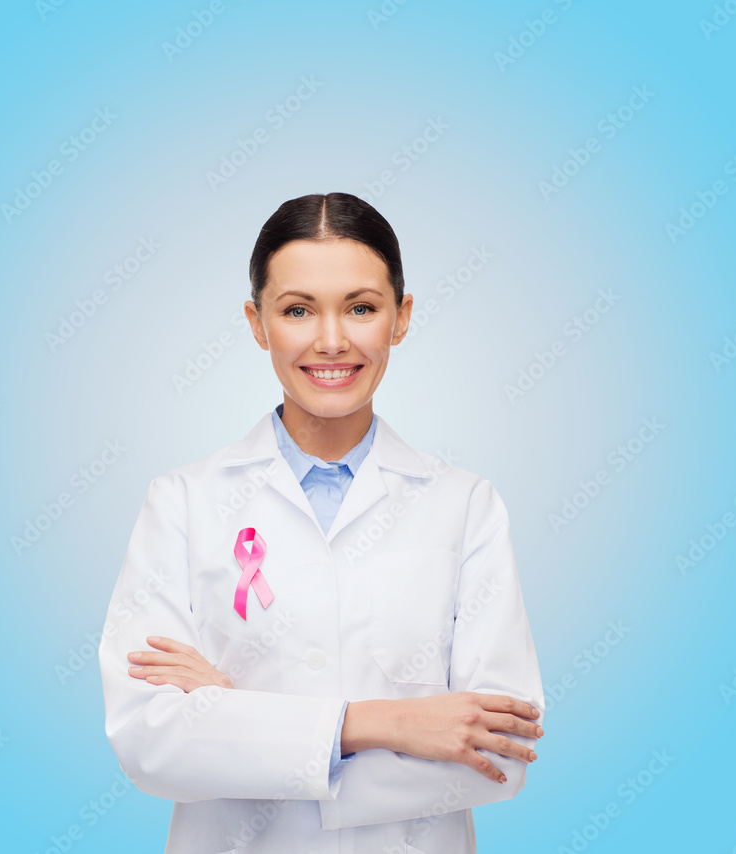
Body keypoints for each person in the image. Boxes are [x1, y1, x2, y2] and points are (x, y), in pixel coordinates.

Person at [98, 192, 545, 854]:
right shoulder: (183, 503)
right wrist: (382, 723)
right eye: (298, 310)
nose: (331, 340)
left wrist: (233, 722)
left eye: (362, 308)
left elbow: (499, 754)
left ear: (402, 316)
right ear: (257, 323)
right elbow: (149, 741)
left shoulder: (465, 505)